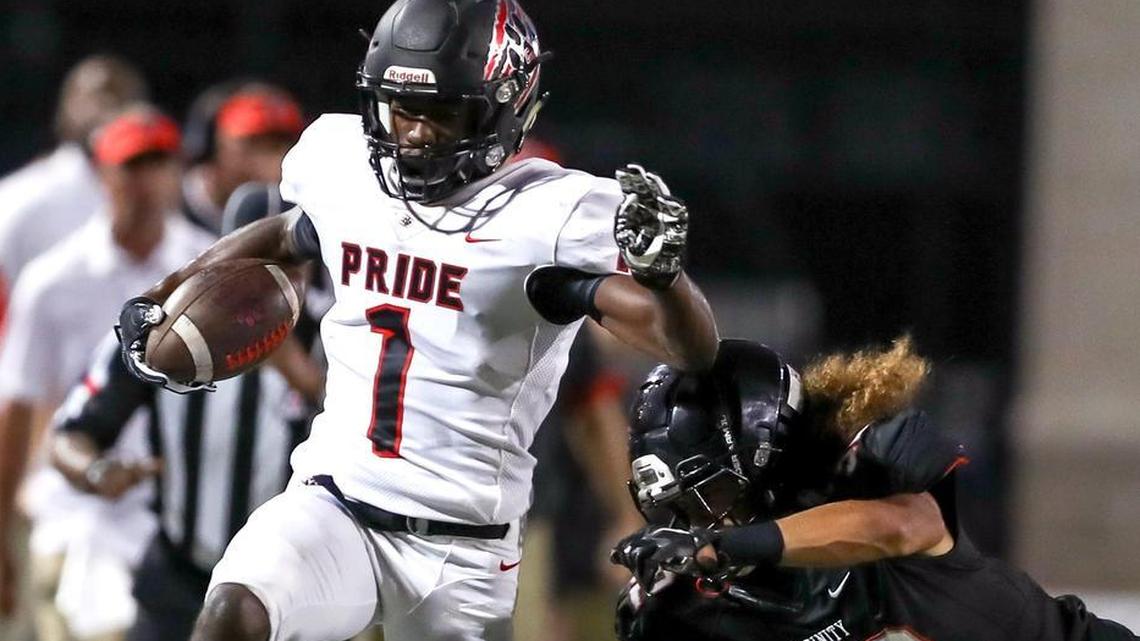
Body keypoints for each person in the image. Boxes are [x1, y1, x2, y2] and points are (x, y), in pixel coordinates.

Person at [113, 1, 718, 640]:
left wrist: (665, 277)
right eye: (402, 110)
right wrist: (165, 292)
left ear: (507, 108)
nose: (417, 134)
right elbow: (288, 233)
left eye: (443, 112)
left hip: (463, 551)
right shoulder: (345, 172)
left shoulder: (547, 218)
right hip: (334, 503)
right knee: (234, 612)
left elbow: (690, 348)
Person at [609, 338, 1139, 641]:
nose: (689, 521)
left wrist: (719, 548)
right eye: (674, 505)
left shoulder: (875, 472)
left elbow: (902, 527)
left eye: (708, 495)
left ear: (763, 460)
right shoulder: (691, 610)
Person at [46, 180, 325, 641]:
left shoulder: (340, 338)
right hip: (179, 581)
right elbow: (70, 435)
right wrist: (96, 472)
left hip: (293, 593)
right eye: (252, 269)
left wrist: (304, 376)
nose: (262, 290)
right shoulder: (166, 339)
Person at [0, 105, 215, 641]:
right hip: (76, 514)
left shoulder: (204, 272)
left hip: (181, 521)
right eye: (131, 165)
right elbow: (17, 409)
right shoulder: (52, 280)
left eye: (158, 163)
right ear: (100, 173)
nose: (146, 182)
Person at [0, 55, 148, 335]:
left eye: (120, 97)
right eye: (94, 95)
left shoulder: (159, 198)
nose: (106, 108)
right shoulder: (17, 198)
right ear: (65, 108)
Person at [179, 82, 305, 235]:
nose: (269, 162)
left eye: (277, 147)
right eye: (253, 145)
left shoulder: (301, 217)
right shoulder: (169, 206)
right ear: (212, 147)